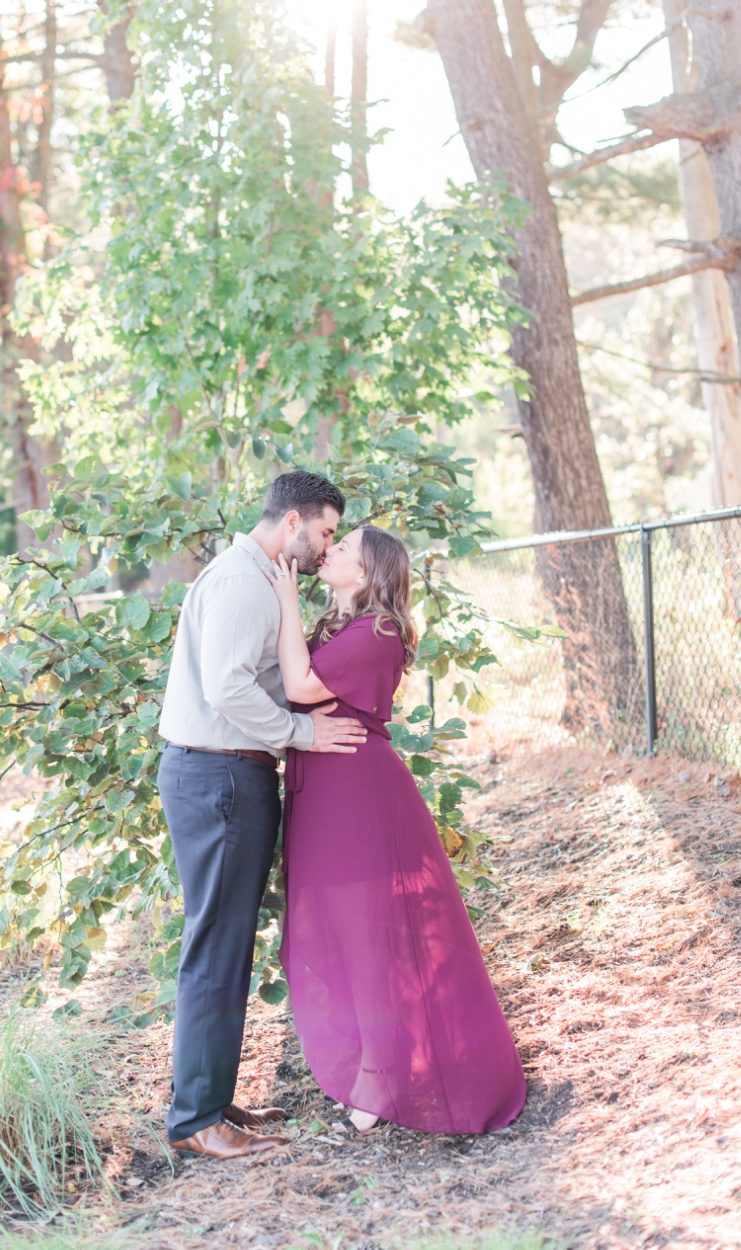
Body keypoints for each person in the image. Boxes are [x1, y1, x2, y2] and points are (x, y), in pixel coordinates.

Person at [272, 525, 526, 1135]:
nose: (327, 550)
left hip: (359, 795)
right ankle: (372, 1068)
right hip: (321, 789)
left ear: (364, 573)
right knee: (335, 931)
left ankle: (382, 1080)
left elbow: (301, 685)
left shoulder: (381, 630)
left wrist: (284, 598)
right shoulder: (341, 624)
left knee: (370, 939)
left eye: (342, 548)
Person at [157, 471, 368, 1161]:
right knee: (216, 949)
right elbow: (226, 688)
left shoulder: (254, 575)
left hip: (224, 774)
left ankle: (212, 1100)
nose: (325, 546)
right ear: (291, 525)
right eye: (326, 532)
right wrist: (303, 736)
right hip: (219, 775)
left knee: (226, 946)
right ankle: (195, 1120)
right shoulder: (246, 581)